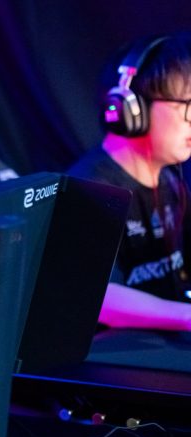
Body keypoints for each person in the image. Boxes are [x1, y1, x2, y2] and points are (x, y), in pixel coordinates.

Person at [67, 32, 191, 331]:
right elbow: (98, 296)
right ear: (131, 107)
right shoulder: (89, 190)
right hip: (116, 354)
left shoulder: (169, 179)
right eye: (188, 105)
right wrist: (186, 317)